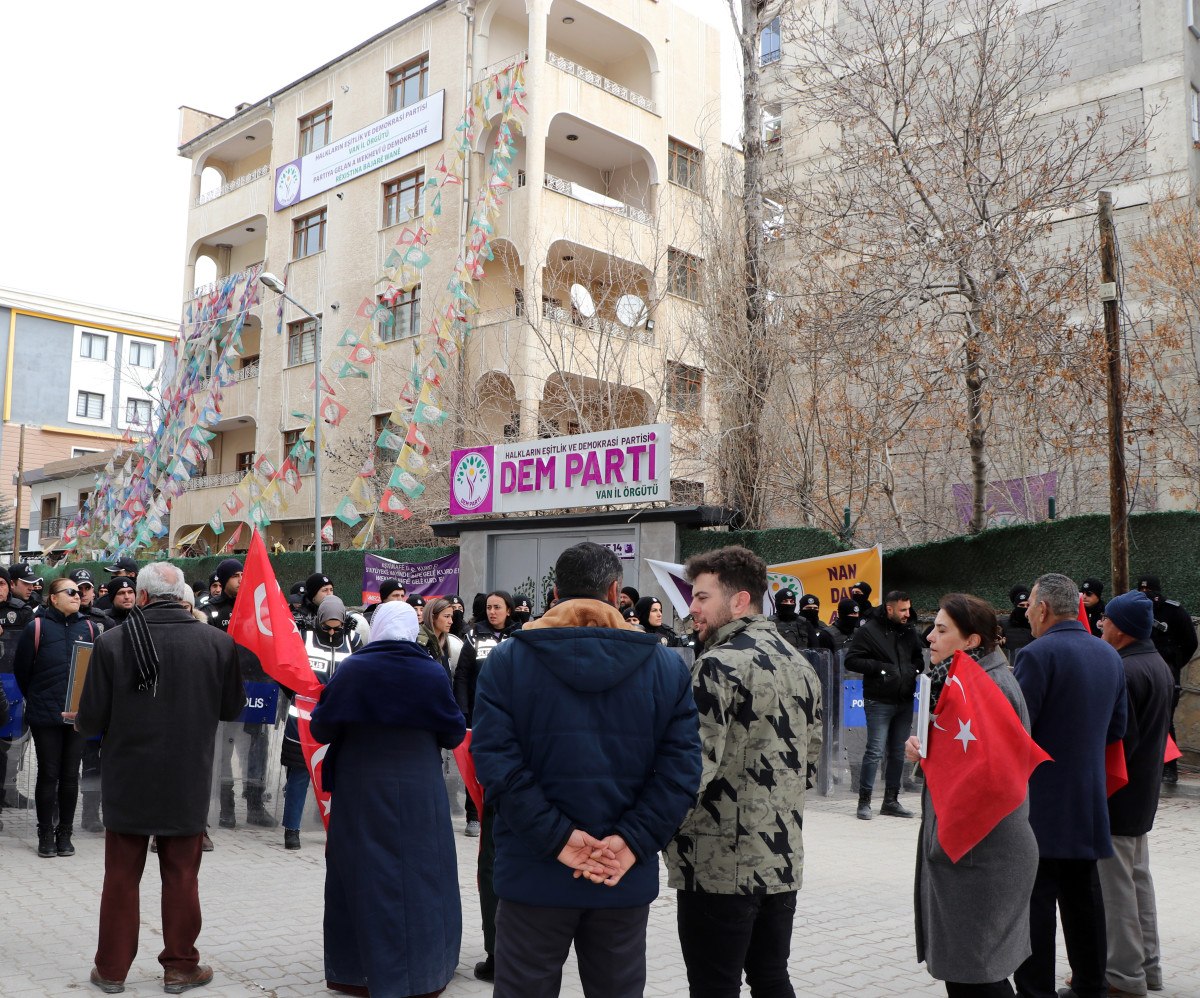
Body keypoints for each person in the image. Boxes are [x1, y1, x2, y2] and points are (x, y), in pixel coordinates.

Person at [473, 542, 701, 998]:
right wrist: (631, 842)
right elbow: (680, 773)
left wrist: (558, 838)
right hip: (620, 872)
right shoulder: (666, 668)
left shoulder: (506, 662)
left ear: (555, 591)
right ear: (616, 592)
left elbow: (496, 766)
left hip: (533, 872)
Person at [75, 561, 244, 996]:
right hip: (188, 775)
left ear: (143, 596)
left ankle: (111, 970)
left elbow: (91, 716)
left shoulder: (112, 643)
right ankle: (181, 967)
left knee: (120, 875)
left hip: (128, 775)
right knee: (183, 874)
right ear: (184, 594)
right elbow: (231, 710)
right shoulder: (218, 643)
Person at [666, 545, 822, 998]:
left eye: (700, 597)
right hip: (781, 859)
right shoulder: (801, 665)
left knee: (714, 986)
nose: (691, 608)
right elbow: (808, 766)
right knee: (772, 978)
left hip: (718, 866)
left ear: (738, 602)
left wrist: (645, 834)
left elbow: (690, 769)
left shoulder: (717, 664)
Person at [310, 600, 466, 998]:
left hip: (361, 784)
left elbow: (323, 728)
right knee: (423, 875)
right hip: (419, 787)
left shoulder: (353, 669)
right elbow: (453, 732)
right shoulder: (429, 671)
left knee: (362, 875)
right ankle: (425, 974)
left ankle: (356, 973)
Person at [905, 594, 1039, 997]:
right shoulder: (967, 680)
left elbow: (990, 781)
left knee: (976, 977)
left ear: (972, 641)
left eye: (943, 630)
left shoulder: (988, 688)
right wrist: (925, 753)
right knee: (972, 973)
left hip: (981, 856)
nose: (930, 637)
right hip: (973, 854)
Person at [1011, 573, 1127, 998]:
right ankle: (1092, 986)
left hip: (1041, 802)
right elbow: (1118, 729)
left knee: (1036, 905)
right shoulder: (1110, 656)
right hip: (1088, 799)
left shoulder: (1036, 654)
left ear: (1042, 608)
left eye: (1029, 608)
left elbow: (1018, 732)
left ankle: (1037, 991)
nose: (1027, 614)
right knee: (1084, 902)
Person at [1096, 591, 1174, 997]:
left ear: (1121, 628)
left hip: (1119, 793)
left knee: (1117, 889)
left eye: (1105, 620)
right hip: (1142, 793)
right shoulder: (1155, 663)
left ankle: (1124, 977)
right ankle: (1148, 968)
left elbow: (1116, 740)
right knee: (1137, 880)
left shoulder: (1125, 671)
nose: (1101, 626)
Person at [455, 588, 521, 974]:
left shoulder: (520, 636)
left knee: (496, 858)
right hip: (482, 733)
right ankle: (500, 948)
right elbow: (463, 676)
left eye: (500, 607)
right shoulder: (472, 636)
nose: (493, 612)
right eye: (490, 606)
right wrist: (465, 716)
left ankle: (502, 950)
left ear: (509, 611)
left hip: (506, 753)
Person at [13, 576, 98, 858]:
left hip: (77, 716)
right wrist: (40, 701)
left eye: (82, 591)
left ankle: (65, 832)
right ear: (53, 597)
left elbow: (94, 672)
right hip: (45, 715)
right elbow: (22, 671)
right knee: (49, 774)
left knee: (70, 775)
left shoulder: (89, 627)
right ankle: (45, 833)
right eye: (71, 591)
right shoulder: (35, 628)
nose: (78, 595)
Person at [281, 596, 361, 850]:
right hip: (303, 722)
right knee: (300, 775)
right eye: (327, 626)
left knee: (340, 776)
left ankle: (337, 827)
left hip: (339, 722)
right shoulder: (304, 639)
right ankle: (291, 830)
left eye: (337, 627)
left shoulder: (354, 641)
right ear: (319, 621)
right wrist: (297, 697)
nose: (332, 632)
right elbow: (287, 674)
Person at [205, 558, 277, 829]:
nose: (240, 579)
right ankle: (227, 807)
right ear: (223, 581)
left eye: (243, 575)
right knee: (225, 750)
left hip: (260, 688)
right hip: (227, 690)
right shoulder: (211, 611)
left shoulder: (261, 609)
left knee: (257, 751)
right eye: (235, 575)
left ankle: (256, 806)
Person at [845, 590, 924, 820]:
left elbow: (919, 658)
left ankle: (891, 801)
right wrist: (881, 669)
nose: (907, 614)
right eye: (903, 610)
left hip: (905, 699)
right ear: (889, 609)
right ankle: (864, 801)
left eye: (908, 609)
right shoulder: (869, 630)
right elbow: (852, 659)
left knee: (898, 752)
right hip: (878, 700)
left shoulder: (909, 630)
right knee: (875, 750)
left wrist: (912, 670)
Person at [1135, 575, 1197, 785]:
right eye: (1141, 592)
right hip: (1140, 671)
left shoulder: (1173, 611)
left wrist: (1175, 662)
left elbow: (1190, 641)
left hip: (1167, 672)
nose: (1146, 596)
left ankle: (1169, 769)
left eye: (1149, 592)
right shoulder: (1133, 611)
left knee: (1164, 720)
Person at [999, 585, 1034, 662]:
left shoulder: (1036, 625)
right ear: (1016, 605)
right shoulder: (1003, 624)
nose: (1025, 608)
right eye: (1021, 605)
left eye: (1028, 605)